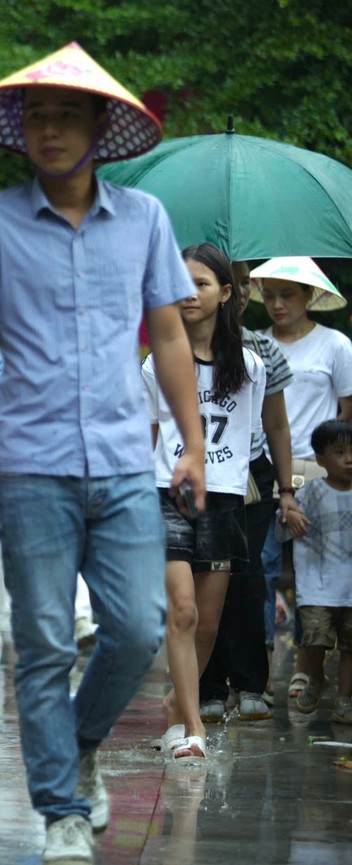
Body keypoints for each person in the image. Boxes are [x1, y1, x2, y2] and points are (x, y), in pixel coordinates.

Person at [0, 43, 206, 864]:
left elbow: (168, 333)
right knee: (47, 640)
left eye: (67, 115)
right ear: (20, 131)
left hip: (128, 461)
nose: (49, 130)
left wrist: (193, 442)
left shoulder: (145, 220)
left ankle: (80, 741)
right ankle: (60, 806)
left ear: (101, 126)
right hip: (29, 461)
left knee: (137, 627)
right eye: (37, 116)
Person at [142, 243, 266, 759]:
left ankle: (177, 707)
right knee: (185, 612)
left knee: (209, 621)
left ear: (226, 294)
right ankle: (193, 727)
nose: (189, 293)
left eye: (202, 283)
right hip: (166, 493)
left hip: (224, 497)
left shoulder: (252, 366)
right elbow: (147, 433)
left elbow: (251, 436)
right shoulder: (156, 364)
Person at [248, 256, 352, 700]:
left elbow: (347, 415)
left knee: (325, 564)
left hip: (317, 468)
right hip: (264, 468)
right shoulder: (255, 347)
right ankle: (262, 676)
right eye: (268, 295)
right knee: (262, 566)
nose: (276, 304)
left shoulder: (336, 346)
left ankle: (315, 667)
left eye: (286, 294)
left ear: (309, 296)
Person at [198, 258, 294, 722]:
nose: (234, 292)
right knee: (201, 579)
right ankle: (208, 688)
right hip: (192, 475)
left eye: (239, 283)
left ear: (242, 291)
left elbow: (275, 423)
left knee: (246, 573)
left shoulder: (261, 351)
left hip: (251, 475)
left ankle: (252, 683)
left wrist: (287, 489)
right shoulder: (173, 349)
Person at [276, 419, 352, 721]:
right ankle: (316, 677)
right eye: (340, 451)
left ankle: (344, 699)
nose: (349, 458)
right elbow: (283, 531)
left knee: (349, 646)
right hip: (318, 585)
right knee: (314, 641)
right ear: (321, 459)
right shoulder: (310, 493)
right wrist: (288, 519)